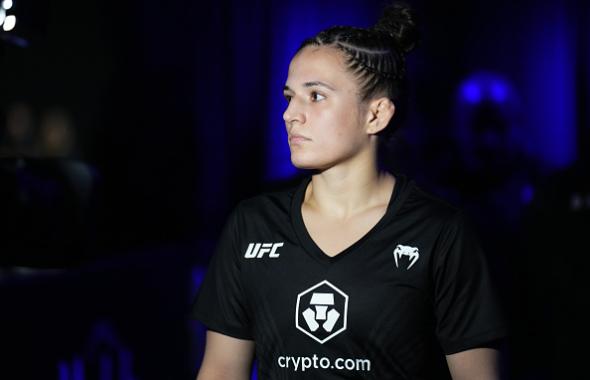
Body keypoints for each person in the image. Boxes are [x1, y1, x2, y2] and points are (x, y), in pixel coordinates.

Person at [191, 3, 507, 379]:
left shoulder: (438, 232)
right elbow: (222, 371)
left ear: (376, 114)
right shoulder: (254, 224)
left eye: (316, 96)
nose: (290, 114)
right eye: (289, 96)